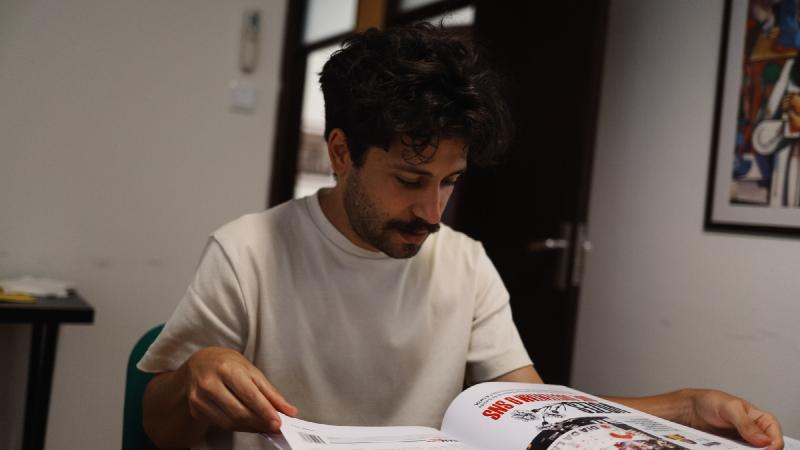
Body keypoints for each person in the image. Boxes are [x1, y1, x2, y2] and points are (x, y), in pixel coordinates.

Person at [138, 23, 784, 450]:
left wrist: (683, 409)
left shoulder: (465, 263)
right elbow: (160, 431)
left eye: (449, 182)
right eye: (410, 179)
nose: (432, 211)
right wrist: (195, 375)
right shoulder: (247, 253)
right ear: (341, 153)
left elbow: (536, 411)